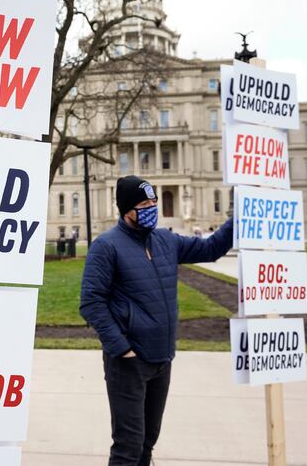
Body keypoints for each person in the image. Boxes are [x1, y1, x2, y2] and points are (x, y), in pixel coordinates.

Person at [80, 175, 233, 466]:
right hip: (128, 364)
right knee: (128, 447)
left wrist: (238, 220)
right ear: (127, 209)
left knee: (147, 444)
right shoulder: (107, 246)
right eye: (144, 204)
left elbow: (211, 249)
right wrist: (122, 348)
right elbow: (91, 302)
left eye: (153, 202)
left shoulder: (166, 240)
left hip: (162, 359)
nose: (152, 207)